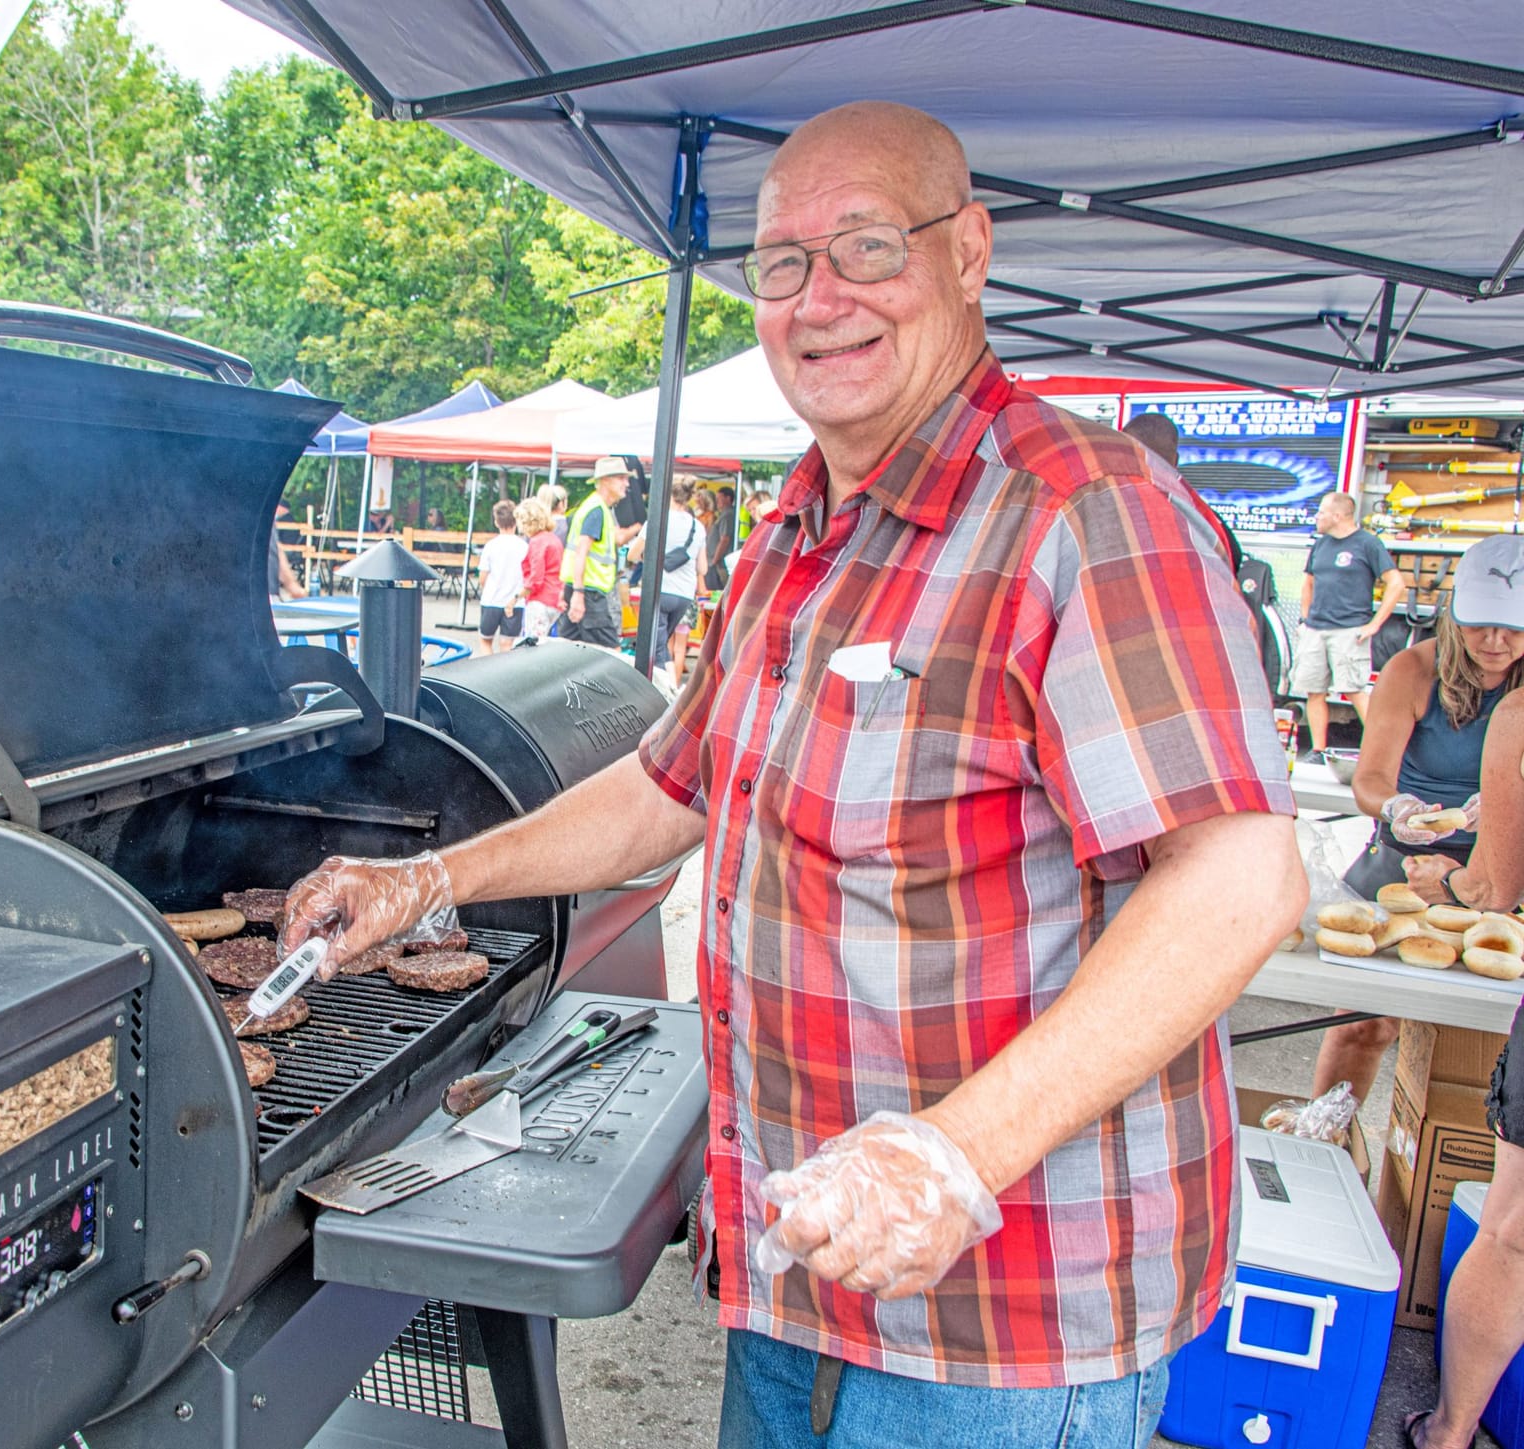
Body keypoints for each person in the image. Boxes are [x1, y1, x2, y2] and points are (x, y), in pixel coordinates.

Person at [281, 101, 1301, 1445]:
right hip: (797, 1269)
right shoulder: (794, 534)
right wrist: (431, 879)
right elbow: (671, 785)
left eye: (868, 247)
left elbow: (1239, 877)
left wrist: (953, 1153)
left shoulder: (1084, 513)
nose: (820, 300)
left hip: (999, 1329)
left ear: (971, 251)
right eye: (779, 264)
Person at [1312, 534, 1524, 1105]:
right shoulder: (1414, 669)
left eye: (1513, 627)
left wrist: (1506, 805)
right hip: (1406, 869)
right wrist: (1398, 808)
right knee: (1366, 1024)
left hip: (1501, 877)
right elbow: (1370, 780)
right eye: (1480, 625)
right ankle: (1329, 1137)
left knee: (1484, 1041)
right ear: (1454, 611)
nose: (1496, 642)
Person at [1393, 573, 1524, 1449]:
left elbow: (1492, 886)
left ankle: (1448, 1432)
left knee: (1513, 1232)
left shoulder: (1518, 716)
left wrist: (1450, 875)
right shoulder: (1411, 671)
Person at [1294, 491, 1406, 762]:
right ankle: (1318, 750)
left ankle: (1381, 754)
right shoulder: (1321, 545)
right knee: (1314, 691)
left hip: (1349, 629)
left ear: (1338, 515)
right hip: (1315, 629)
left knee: (1354, 690)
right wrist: (1304, 620)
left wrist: (1374, 624)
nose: (1317, 517)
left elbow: (1397, 583)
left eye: (1321, 512)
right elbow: (1308, 583)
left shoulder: (1368, 544)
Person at [627, 477, 704, 691]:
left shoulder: (658, 520)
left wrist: (649, 558)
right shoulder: (697, 526)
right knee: (663, 644)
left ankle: (668, 691)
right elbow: (703, 568)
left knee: (658, 646)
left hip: (659, 590)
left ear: (667, 494)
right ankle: (668, 687)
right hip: (685, 594)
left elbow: (633, 555)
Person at [561, 457, 641, 650]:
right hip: (589, 591)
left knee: (567, 647)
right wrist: (579, 594)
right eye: (621, 478)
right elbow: (582, 551)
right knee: (611, 651)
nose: (626, 484)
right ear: (606, 480)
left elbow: (615, 539)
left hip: (584, 588)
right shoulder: (596, 510)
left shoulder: (597, 507)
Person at [475, 499, 528, 654]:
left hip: (492, 599)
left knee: (485, 641)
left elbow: (483, 576)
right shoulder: (524, 546)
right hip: (515, 602)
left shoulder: (491, 546)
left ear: (496, 522)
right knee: (507, 645)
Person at [515, 498, 563, 640]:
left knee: (532, 643)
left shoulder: (537, 542)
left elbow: (536, 579)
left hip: (540, 601)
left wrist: (516, 598)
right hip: (555, 600)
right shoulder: (554, 539)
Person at [704, 482, 737, 596]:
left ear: (728, 498)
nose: (717, 502)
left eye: (719, 499)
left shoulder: (727, 515)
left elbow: (725, 539)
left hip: (718, 565)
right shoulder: (723, 514)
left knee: (715, 593)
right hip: (715, 562)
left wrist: (714, 560)